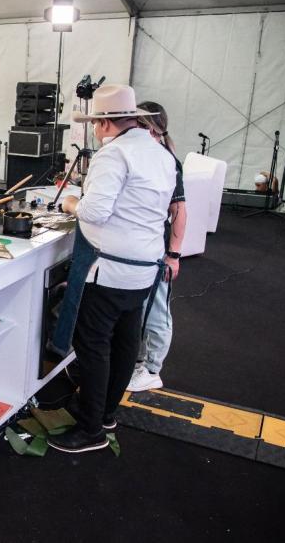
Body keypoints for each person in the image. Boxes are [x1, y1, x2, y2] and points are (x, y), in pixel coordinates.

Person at [47, 85, 176, 453]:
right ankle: (104, 413)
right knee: (124, 344)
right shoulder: (161, 153)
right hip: (145, 267)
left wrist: (72, 202)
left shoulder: (113, 154)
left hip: (111, 270)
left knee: (93, 348)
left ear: (104, 123)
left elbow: (95, 212)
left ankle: (90, 430)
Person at [127, 101, 187, 392]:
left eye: (136, 124)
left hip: (158, 251)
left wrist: (173, 254)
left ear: (149, 128)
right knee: (140, 310)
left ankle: (152, 369)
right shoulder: (146, 156)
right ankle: (139, 363)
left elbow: (179, 211)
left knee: (156, 310)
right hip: (143, 250)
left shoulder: (166, 160)